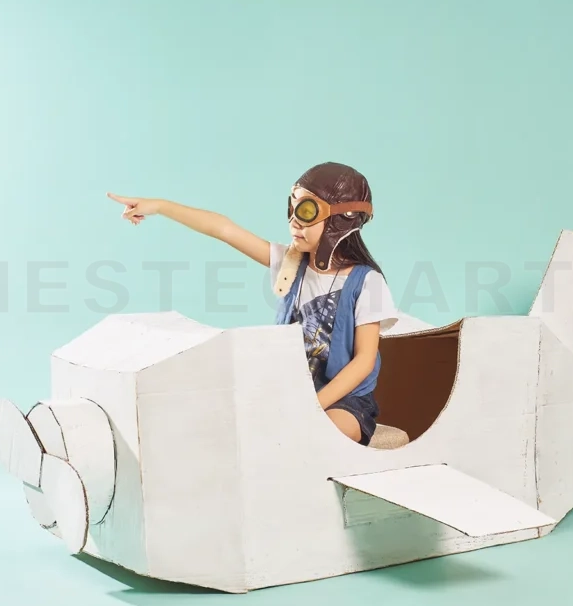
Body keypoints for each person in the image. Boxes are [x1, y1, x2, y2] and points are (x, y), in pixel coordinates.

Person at [107, 162, 399, 446]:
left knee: (318, 435)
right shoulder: (291, 264)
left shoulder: (367, 282)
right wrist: (159, 206)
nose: (294, 221)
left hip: (344, 401)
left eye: (307, 210)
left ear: (341, 219)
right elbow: (223, 229)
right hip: (288, 389)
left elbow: (364, 361)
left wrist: (311, 406)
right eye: (292, 207)